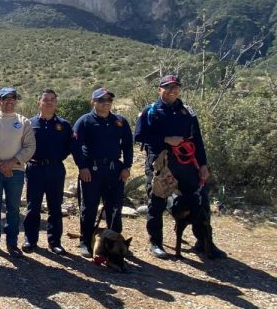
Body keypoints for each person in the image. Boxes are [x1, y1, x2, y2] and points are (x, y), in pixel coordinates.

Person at [134, 75, 227, 259]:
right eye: (167, 87)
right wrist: (165, 140)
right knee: (157, 202)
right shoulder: (149, 112)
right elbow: (139, 136)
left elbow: (197, 140)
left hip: (186, 163)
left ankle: (204, 242)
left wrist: (203, 164)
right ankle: (156, 242)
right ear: (159, 89)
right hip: (160, 162)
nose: (172, 90)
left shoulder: (188, 112)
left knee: (199, 201)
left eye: (175, 87)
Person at [71, 87, 133, 258]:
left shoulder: (120, 121)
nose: (105, 103)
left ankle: (115, 243)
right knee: (89, 208)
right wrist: (82, 167)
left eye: (108, 100)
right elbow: (75, 146)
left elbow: (128, 146)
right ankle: (86, 242)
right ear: (93, 102)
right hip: (92, 171)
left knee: (115, 208)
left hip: (115, 171)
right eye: (101, 100)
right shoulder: (85, 121)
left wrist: (127, 167)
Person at [0, 87, 36, 257]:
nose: (9, 102)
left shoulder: (24, 122)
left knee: (14, 208)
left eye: (13, 99)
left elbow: (30, 146)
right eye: (5, 99)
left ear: (16, 101)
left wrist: (11, 163)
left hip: (16, 171)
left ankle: (12, 243)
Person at [22, 89, 72, 255]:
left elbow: (68, 148)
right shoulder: (29, 123)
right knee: (33, 207)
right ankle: (30, 240)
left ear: (56, 103)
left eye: (52, 99)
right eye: (45, 99)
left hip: (55, 169)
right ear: (39, 103)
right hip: (35, 169)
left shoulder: (64, 125)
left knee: (55, 208)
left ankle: (55, 242)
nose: (49, 102)